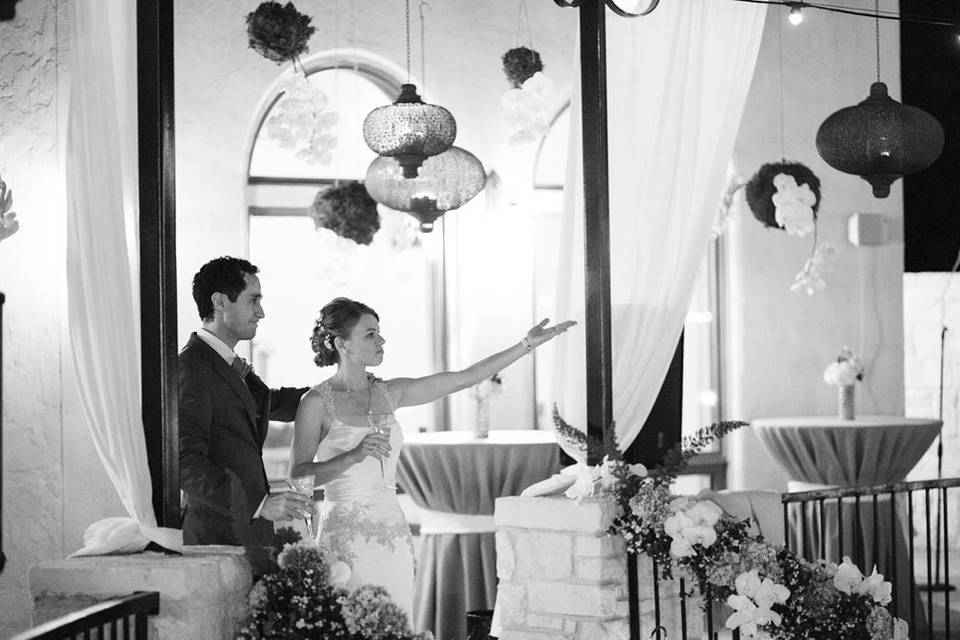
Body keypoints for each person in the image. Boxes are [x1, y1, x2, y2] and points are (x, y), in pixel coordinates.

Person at [289, 296, 575, 619]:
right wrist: (353, 456)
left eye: (379, 332)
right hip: (344, 539)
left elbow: (463, 378)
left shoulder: (389, 392)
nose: (381, 340)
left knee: (397, 620)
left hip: (393, 535)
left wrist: (526, 345)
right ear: (342, 344)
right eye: (370, 334)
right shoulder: (315, 402)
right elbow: (299, 476)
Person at [179, 256, 312, 546]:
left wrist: (334, 393)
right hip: (215, 537)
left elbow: (269, 403)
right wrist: (258, 504)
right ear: (220, 302)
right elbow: (185, 463)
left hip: (247, 533)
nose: (261, 312)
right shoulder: (191, 368)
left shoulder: (223, 362)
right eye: (253, 300)